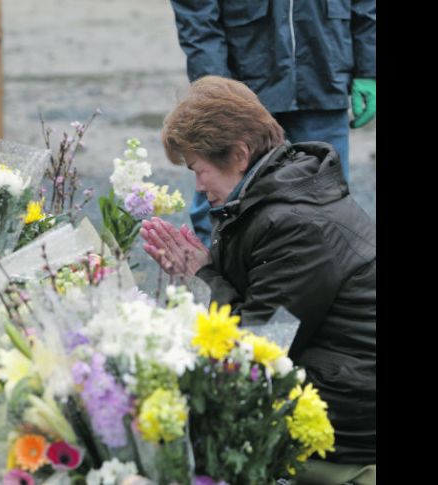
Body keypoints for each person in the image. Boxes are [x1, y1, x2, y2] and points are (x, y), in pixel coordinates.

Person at [141, 76, 375, 484]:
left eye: (199, 169)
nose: (197, 186)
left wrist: (201, 275)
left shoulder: (296, 223)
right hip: (339, 383)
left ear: (239, 154)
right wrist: (203, 272)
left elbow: (262, 347)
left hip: (346, 418)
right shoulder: (274, 195)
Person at [169, 0, 376, 246]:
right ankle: (216, 278)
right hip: (245, 85)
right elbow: (197, 13)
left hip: (323, 73)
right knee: (223, 207)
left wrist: (369, 66)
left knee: (328, 207)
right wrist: (217, 91)